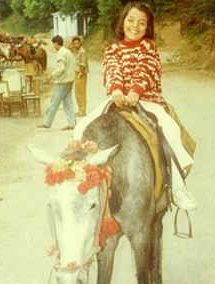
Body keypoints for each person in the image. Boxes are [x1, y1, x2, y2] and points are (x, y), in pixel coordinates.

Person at [74, 2, 196, 210]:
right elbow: (112, 70)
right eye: (131, 20)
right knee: (81, 129)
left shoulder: (148, 46)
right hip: (118, 98)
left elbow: (145, 69)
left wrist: (135, 92)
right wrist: (116, 91)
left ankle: (177, 186)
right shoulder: (112, 49)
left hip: (147, 100)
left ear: (147, 27)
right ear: (122, 23)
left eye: (142, 23)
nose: (135, 26)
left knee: (171, 131)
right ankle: (80, 182)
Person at [37, 35, 76, 131]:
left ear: (56, 44)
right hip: (69, 80)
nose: (53, 46)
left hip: (62, 81)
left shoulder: (61, 53)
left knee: (54, 102)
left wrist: (52, 75)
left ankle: (47, 122)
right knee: (68, 102)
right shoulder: (67, 52)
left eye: (53, 44)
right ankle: (72, 123)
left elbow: (61, 68)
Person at [72, 36, 89, 117]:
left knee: (81, 92)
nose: (76, 45)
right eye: (74, 43)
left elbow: (82, 63)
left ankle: (82, 111)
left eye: (77, 43)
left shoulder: (82, 51)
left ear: (80, 43)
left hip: (81, 74)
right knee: (77, 92)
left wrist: (80, 74)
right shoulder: (77, 51)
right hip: (77, 74)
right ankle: (80, 110)